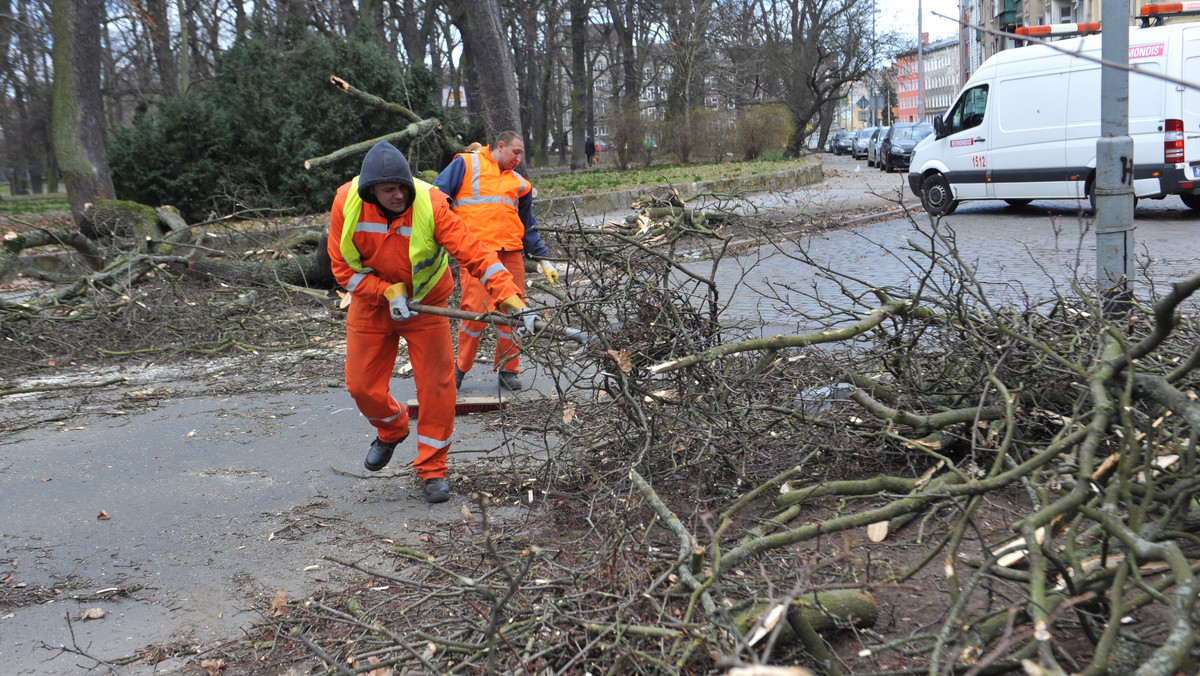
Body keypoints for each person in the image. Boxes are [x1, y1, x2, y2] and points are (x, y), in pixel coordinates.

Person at [327, 140, 535, 503]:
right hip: (371, 305)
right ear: (370, 189)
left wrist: (512, 299)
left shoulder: (432, 204)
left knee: (438, 389)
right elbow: (342, 269)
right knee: (361, 386)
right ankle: (391, 429)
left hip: (427, 304)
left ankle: (433, 469)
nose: (398, 195)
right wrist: (385, 292)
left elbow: (476, 253)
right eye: (389, 190)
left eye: (402, 187)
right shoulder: (347, 203)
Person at [434, 131, 559, 393]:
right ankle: (459, 368)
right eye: (515, 152)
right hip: (476, 252)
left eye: (521, 154)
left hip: (510, 251)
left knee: (515, 311)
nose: (518, 158)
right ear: (500, 146)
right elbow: (436, 199)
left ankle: (508, 369)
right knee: (474, 312)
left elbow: (528, 226)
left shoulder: (520, 184)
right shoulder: (467, 164)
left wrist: (542, 258)